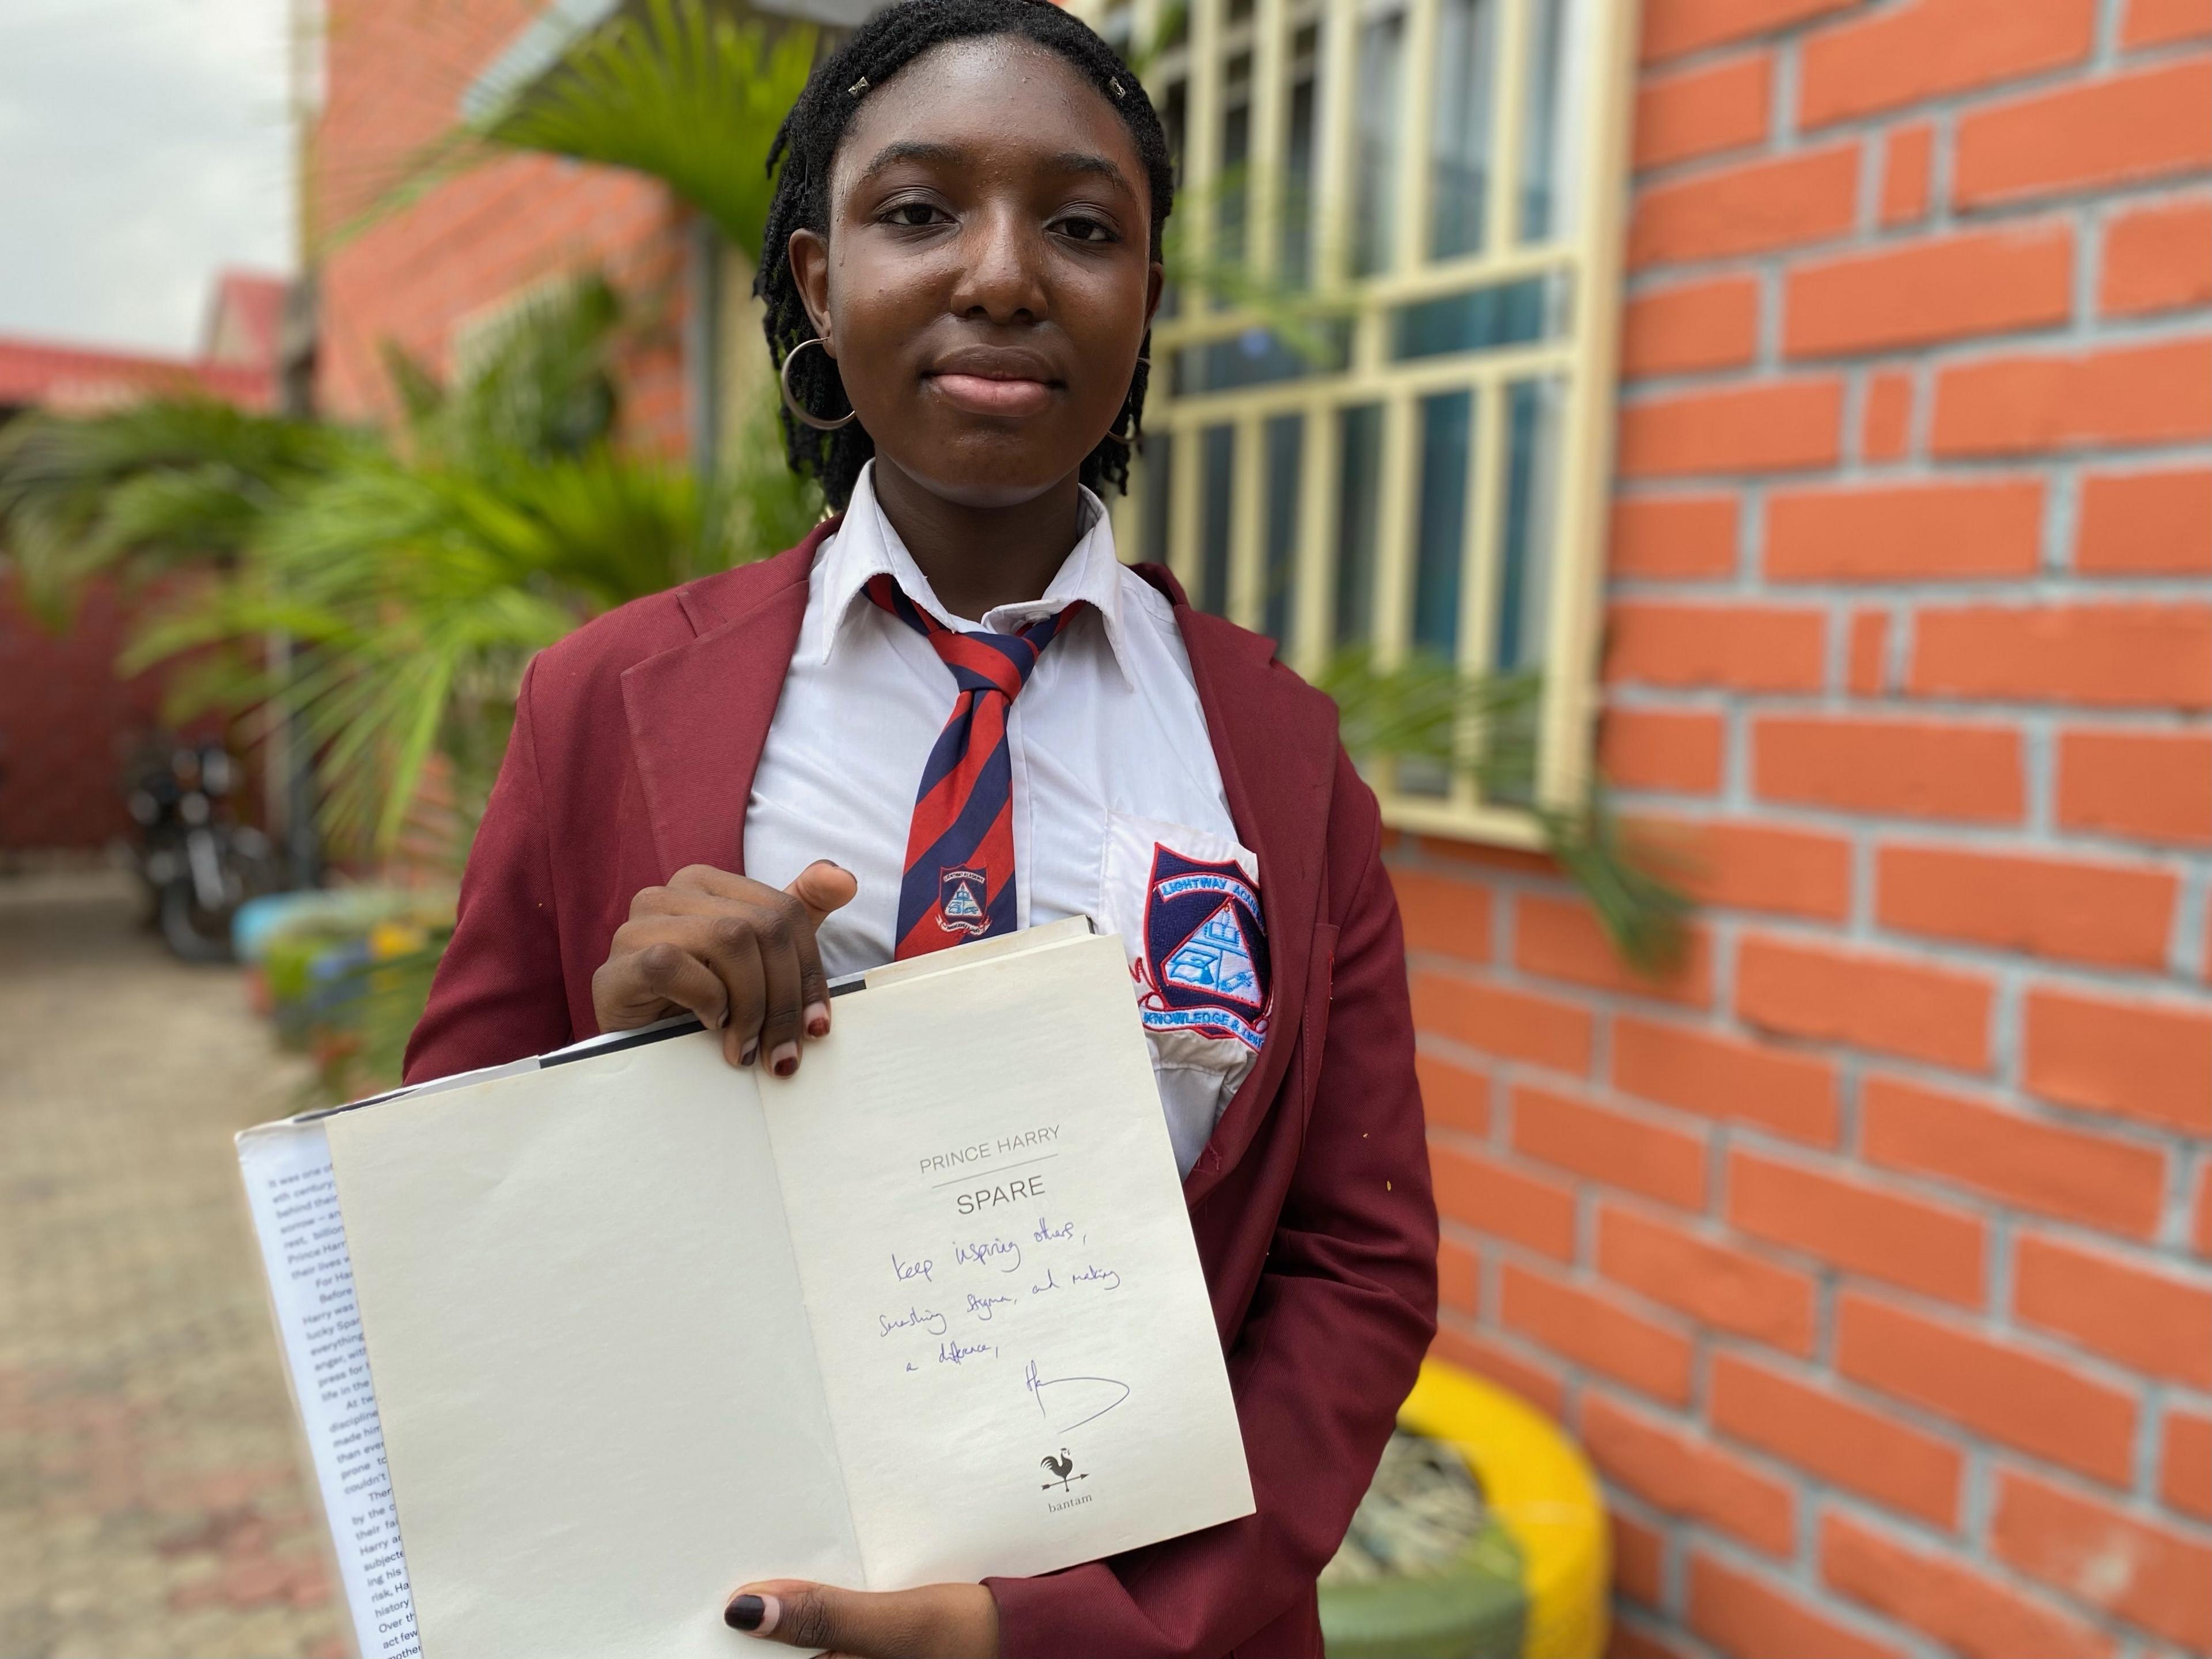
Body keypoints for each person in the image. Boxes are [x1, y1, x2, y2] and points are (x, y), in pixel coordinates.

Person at [403, 1, 1437, 1652]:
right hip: (702, 1606)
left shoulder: (1279, 753)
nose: (1005, 274)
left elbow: (1354, 1258)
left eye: (1084, 227)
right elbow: (452, 1216)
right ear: (818, 279)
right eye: (919, 211)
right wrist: (617, 1073)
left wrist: (1063, 1629)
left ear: (1145, 301)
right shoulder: (606, 703)